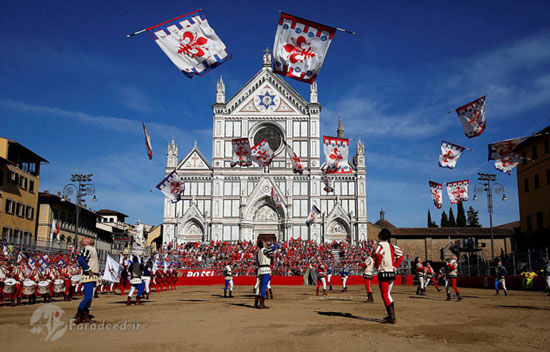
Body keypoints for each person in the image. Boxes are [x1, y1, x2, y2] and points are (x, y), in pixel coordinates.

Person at [373, 228, 403, 324]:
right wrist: (394, 266)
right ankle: (391, 315)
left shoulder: (379, 246)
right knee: (388, 294)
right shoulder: (392, 246)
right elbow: (400, 256)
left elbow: (378, 256)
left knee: (384, 295)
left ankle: (391, 317)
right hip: (391, 272)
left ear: (380, 236)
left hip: (383, 272)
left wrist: (377, 266)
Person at [75, 237, 99, 324]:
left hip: (93, 276)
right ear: (85, 243)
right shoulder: (87, 248)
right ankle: (79, 314)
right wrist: (88, 269)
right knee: (88, 297)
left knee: (90, 298)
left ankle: (85, 315)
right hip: (89, 276)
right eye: (87, 238)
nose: (90, 238)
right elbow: (80, 259)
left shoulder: (92, 248)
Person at [254, 240, 280, 309]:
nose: (265, 243)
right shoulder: (264, 250)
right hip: (265, 270)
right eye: (264, 242)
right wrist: (277, 245)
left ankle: (256, 303)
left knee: (259, 286)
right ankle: (261, 304)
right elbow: (271, 250)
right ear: (262, 244)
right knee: (264, 286)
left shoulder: (258, 252)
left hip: (260, 270)